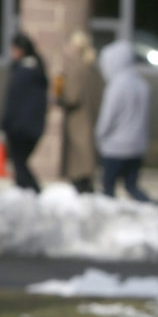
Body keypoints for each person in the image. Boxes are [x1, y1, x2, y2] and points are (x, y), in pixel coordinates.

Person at [94, 39, 151, 202]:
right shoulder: (142, 84)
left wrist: (98, 136)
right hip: (138, 146)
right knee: (131, 186)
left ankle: (110, 221)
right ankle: (152, 209)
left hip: (115, 147)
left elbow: (107, 118)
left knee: (108, 189)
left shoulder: (116, 86)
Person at [55, 30, 101, 194]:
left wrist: (59, 93)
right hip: (91, 119)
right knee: (86, 168)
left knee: (78, 168)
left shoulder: (74, 68)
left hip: (77, 122)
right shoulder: (92, 68)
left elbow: (71, 97)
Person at [2, 33, 49, 191]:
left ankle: (33, 192)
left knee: (19, 163)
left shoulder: (25, 72)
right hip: (26, 126)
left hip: (21, 127)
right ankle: (26, 193)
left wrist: (7, 122)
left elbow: (15, 101)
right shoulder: (33, 69)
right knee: (19, 163)